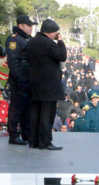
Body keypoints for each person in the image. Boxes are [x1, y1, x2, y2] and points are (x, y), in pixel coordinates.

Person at [27, 19, 67, 150]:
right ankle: (45, 142)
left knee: (35, 113)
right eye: (56, 32)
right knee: (47, 114)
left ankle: (33, 141)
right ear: (50, 32)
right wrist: (60, 41)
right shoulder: (48, 43)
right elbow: (62, 56)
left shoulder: (32, 41)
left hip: (34, 83)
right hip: (48, 85)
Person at [5, 15, 36, 145]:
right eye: (29, 26)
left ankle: (26, 135)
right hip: (19, 80)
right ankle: (13, 135)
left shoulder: (25, 39)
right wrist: (19, 79)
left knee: (26, 109)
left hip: (27, 79)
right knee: (16, 108)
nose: (31, 28)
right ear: (21, 26)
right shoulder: (14, 40)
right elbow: (13, 62)